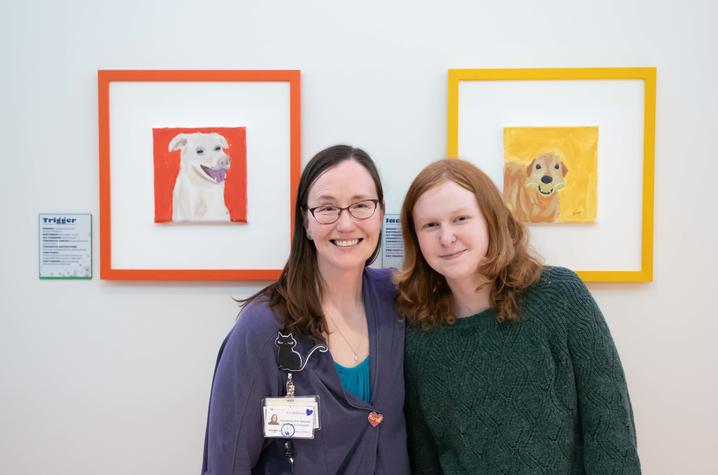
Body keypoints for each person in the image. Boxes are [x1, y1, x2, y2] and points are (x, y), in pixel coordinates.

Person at [395, 159, 640, 474]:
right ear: (415, 238)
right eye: (430, 225)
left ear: (490, 219)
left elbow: (610, 427)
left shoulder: (560, 297)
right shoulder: (419, 334)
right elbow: (424, 456)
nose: (446, 237)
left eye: (460, 219)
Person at [202, 145, 410, 474]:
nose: (345, 224)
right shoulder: (262, 329)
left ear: (381, 213)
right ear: (306, 221)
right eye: (327, 208)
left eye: (361, 206)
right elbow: (226, 463)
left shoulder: (399, 301)